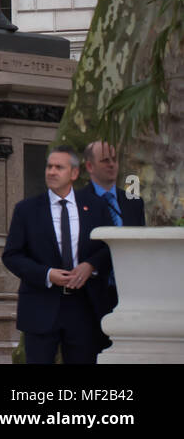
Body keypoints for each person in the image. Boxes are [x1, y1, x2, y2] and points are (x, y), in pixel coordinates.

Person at [2, 146, 113, 364]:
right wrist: (47, 274)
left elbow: (109, 247)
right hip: (40, 305)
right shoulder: (26, 210)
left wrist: (90, 265)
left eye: (59, 167)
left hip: (84, 306)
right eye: (49, 166)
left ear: (74, 173)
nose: (51, 172)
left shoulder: (96, 207)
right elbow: (12, 255)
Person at [75, 141, 143, 353]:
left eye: (114, 159)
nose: (112, 165)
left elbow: (139, 243)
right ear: (89, 166)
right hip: (91, 295)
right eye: (105, 160)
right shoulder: (76, 201)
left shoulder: (133, 201)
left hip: (129, 294)